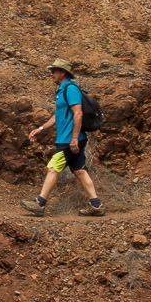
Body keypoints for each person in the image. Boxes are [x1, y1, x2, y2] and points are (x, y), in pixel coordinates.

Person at [21, 58, 102, 217]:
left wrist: (74, 139)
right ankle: (96, 205)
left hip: (69, 139)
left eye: (53, 71)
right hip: (69, 138)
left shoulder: (70, 89)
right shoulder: (61, 90)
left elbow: (78, 113)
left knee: (52, 167)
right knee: (79, 170)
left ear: (62, 72)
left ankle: (39, 204)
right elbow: (58, 116)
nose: (51, 74)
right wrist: (41, 129)